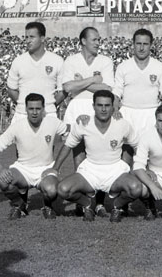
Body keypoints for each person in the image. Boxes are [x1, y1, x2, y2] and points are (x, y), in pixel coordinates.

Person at [54, 90, 141, 222]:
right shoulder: (84, 123)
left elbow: (138, 146)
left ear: (113, 107)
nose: (103, 109)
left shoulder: (123, 124)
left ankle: (116, 206)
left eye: (107, 105)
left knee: (136, 188)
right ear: (93, 106)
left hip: (115, 171)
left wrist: (144, 167)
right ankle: (88, 204)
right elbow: (67, 145)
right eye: (100, 105)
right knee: (63, 189)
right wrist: (55, 169)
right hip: (90, 171)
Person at [0, 93, 68, 220]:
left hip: (46, 168)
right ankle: (19, 204)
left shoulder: (53, 122)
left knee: (52, 190)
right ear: (26, 109)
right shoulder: (17, 126)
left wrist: (81, 121)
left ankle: (47, 205)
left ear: (43, 109)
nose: (34, 112)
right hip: (23, 169)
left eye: (38, 108)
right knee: (4, 181)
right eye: (31, 109)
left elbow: (70, 133)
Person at [61, 26, 115, 215]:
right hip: (76, 109)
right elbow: (68, 88)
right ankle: (83, 202)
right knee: (79, 156)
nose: (98, 43)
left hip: (98, 109)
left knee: (99, 155)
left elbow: (107, 89)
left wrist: (80, 83)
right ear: (83, 41)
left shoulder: (105, 61)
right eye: (95, 39)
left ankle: (99, 203)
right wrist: (92, 80)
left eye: (99, 39)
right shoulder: (71, 60)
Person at [112, 28, 162, 144]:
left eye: (145, 44)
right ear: (133, 44)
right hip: (127, 113)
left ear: (151, 45)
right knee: (125, 152)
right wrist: (115, 110)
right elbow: (116, 93)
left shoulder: (160, 67)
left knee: (150, 152)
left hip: (151, 114)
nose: (141, 48)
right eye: (138, 43)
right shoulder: (123, 67)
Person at [6, 22, 65, 123]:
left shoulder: (57, 60)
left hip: (48, 114)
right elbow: (11, 90)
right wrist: (24, 104)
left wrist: (49, 105)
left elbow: (63, 91)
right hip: (22, 114)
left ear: (42, 38)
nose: (28, 41)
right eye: (26, 37)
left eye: (32, 37)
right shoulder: (18, 61)